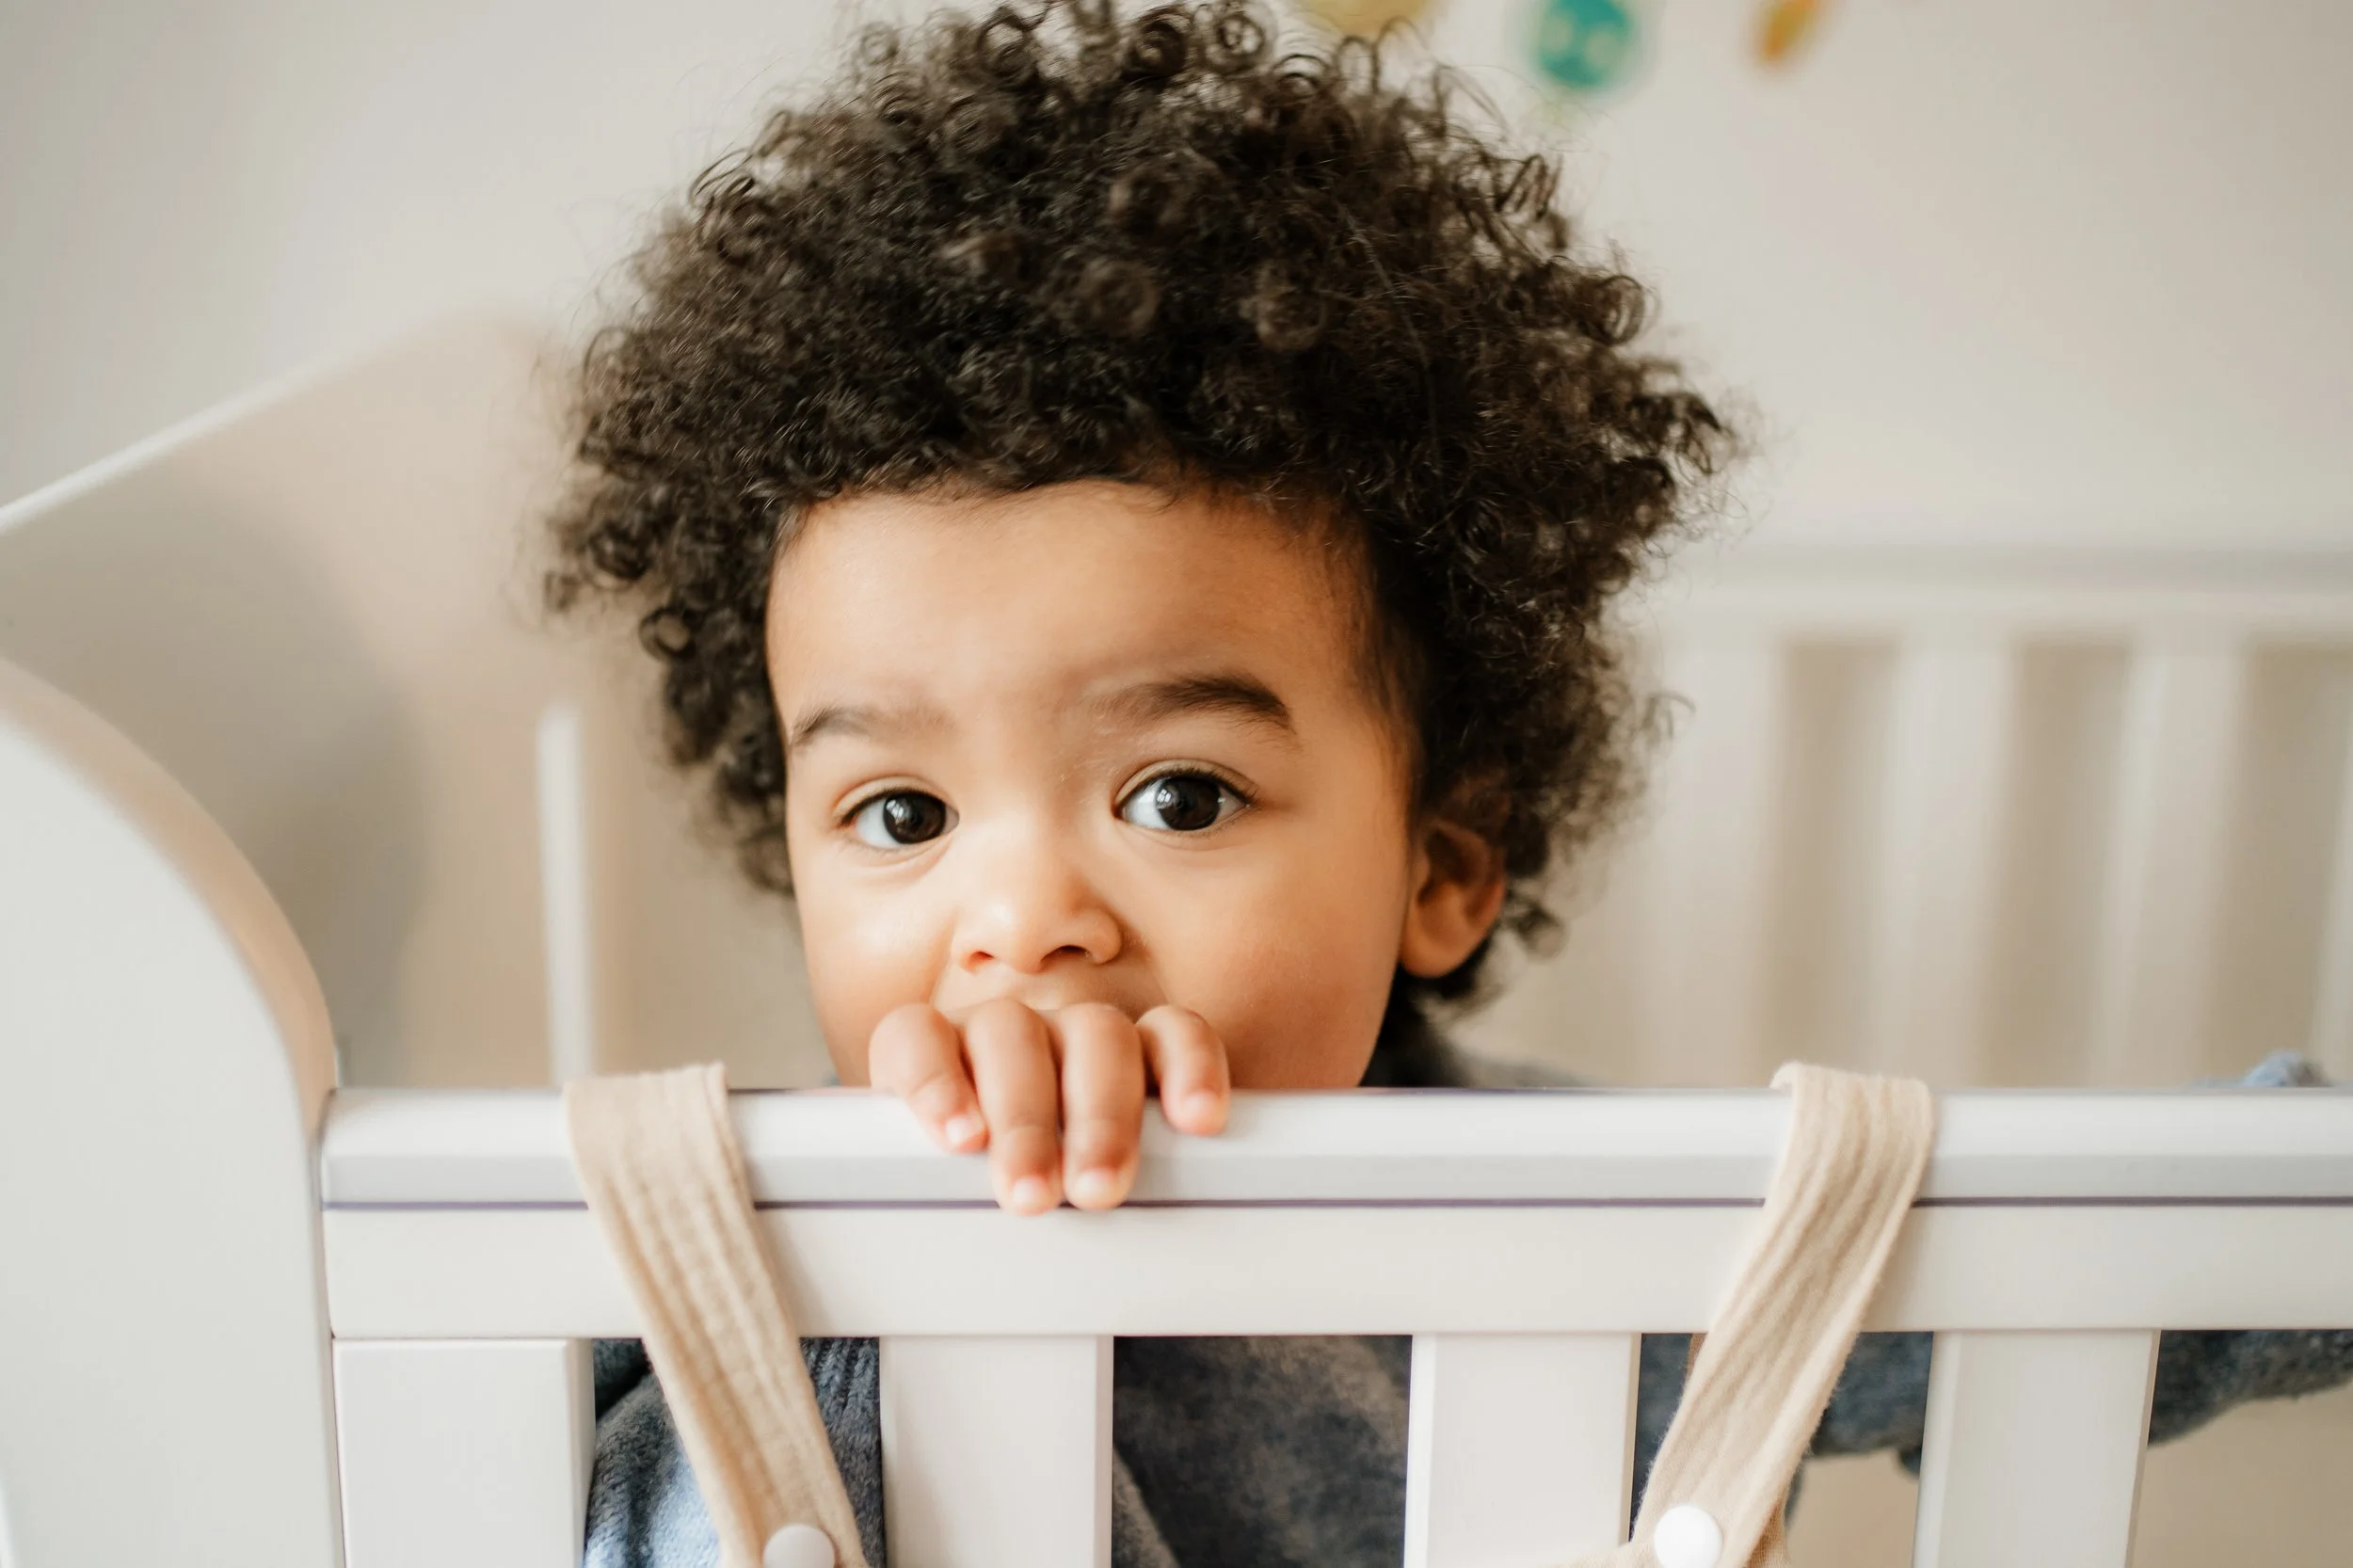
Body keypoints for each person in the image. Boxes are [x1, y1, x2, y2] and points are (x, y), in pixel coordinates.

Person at [541, 3, 2353, 1562]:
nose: (1021, 923)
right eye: (905, 816)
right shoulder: (748, 1267)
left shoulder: (1589, 1234)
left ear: (1444, 863)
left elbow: (2090, 1292)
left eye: (1175, 795)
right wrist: (896, 1280)